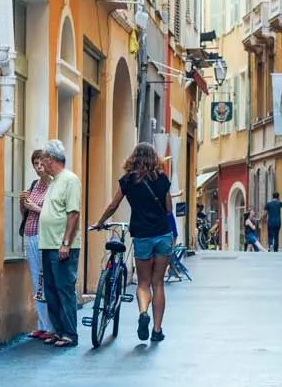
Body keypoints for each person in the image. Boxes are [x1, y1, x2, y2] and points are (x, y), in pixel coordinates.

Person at [94, 142, 173, 343]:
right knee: (158, 283)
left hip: (142, 236)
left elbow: (114, 205)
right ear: (155, 159)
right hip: (163, 234)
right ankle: (157, 330)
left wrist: (100, 222)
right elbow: (169, 209)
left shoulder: (128, 181)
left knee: (143, 282)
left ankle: (143, 312)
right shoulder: (162, 178)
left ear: (133, 158)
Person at [37, 140, 83, 348]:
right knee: (51, 289)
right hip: (48, 244)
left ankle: (70, 334)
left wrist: (66, 243)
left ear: (51, 159)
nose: (41, 163)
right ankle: (58, 330)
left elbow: (73, 213)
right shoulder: (54, 181)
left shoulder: (70, 180)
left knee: (64, 289)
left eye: (43, 159)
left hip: (62, 246)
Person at [18, 149, 53, 340]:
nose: (38, 168)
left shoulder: (53, 186)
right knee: (36, 280)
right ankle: (41, 323)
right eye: (35, 164)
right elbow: (24, 213)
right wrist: (23, 203)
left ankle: (51, 326)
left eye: (41, 164)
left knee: (45, 279)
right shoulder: (34, 184)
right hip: (30, 234)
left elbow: (54, 213)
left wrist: (36, 208)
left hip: (44, 236)